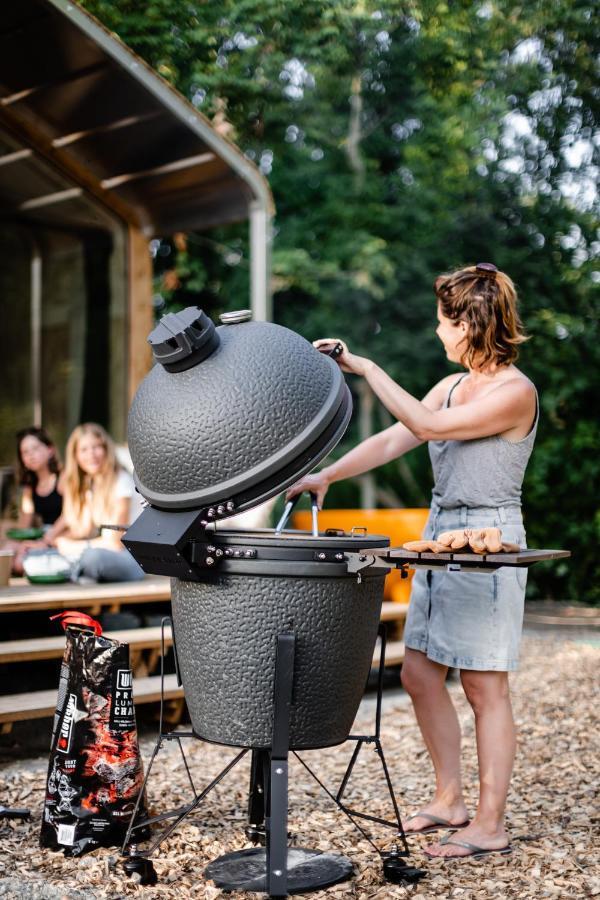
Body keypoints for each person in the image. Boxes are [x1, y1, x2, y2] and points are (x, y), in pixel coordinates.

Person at [287, 262, 537, 860]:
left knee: (483, 686)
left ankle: (490, 822)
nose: (437, 332)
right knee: (420, 675)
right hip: (438, 534)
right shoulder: (451, 387)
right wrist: (328, 475)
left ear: (471, 325)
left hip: (489, 539)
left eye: (443, 322)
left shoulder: (514, 392)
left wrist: (367, 367)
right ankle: (450, 799)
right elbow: (397, 438)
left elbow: (421, 424)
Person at [40, 423, 144, 583]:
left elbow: (115, 544)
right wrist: (53, 541)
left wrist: (69, 546)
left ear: (106, 449)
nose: (91, 454)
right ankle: (79, 575)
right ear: (75, 455)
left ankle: (78, 574)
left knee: (92, 558)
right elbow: (81, 529)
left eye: (97, 447)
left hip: (131, 558)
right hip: (104, 554)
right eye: (84, 450)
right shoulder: (91, 484)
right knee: (43, 557)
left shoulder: (121, 482)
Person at [16, 427, 63, 527]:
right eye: (25, 452)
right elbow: (25, 522)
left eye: (35, 448)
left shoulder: (64, 477)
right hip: (45, 536)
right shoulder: (30, 486)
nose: (31, 455)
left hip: (66, 537)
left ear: (50, 450)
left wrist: (47, 538)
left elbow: (71, 517)